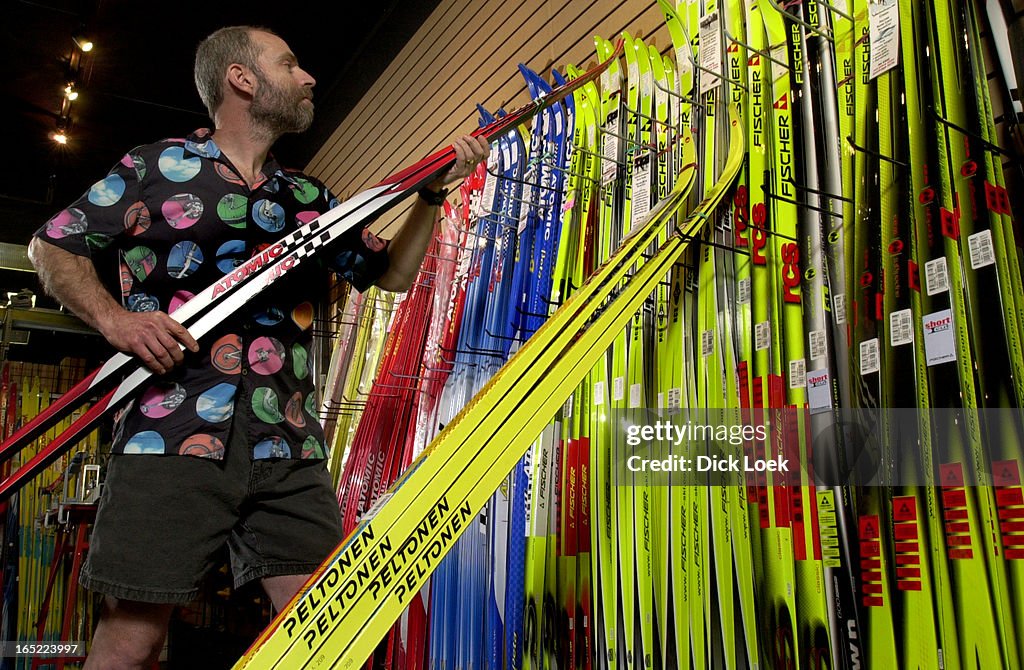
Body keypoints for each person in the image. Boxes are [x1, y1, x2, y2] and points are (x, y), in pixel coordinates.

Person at [28, 25, 489, 669]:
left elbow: (392, 275)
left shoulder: (309, 200)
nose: (308, 78)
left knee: (331, 635)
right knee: (134, 641)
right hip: (171, 433)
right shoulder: (154, 167)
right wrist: (116, 322)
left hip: (288, 442)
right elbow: (52, 245)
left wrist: (434, 195)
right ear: (241, 79)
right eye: (290, 64)